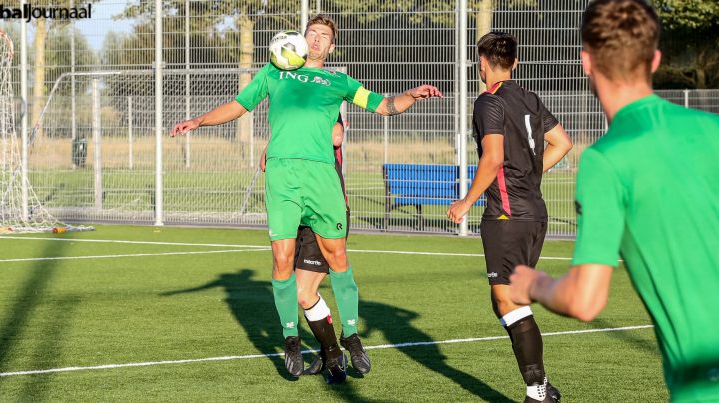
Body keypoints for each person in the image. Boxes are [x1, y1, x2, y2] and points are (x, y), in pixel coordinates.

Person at [171, 14, 442, 380]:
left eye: (324, 36)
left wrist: (411, 95)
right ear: (301, 38)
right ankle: (291, 340)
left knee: (339, 256)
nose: (316, 39)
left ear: (332, 46)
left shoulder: (339, 81)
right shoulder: (274, 72)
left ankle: (351, 336)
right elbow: (239, 105)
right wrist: (199, 121)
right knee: (281, 259)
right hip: (283, 174)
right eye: (311, 33)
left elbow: (382, 105)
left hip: (321, 175)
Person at [509, 1, 719, 401]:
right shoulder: (714, 128)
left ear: (585, 61)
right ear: (655, 59)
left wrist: (533, 283)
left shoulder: (607, 161)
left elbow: (585, 299)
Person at [446, 32, 572, 402]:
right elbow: (563, 143)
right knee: (507, 298)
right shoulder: (529, 98)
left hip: (507, 215)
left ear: (481, 63)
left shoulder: (489, 101)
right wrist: (530, 174)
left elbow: (493, 157)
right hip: (534, 212)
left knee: (507, 300)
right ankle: (540, 387)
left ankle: (538, 390)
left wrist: (467, 201)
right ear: (514, 63)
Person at [259, 115, 357, 384]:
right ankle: (331, 354)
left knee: (304, 292)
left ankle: (335, 353)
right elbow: (264, 163)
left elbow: (336, 136)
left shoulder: (323, 107)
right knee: (303, 293)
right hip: (297, 212)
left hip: (323, 212)